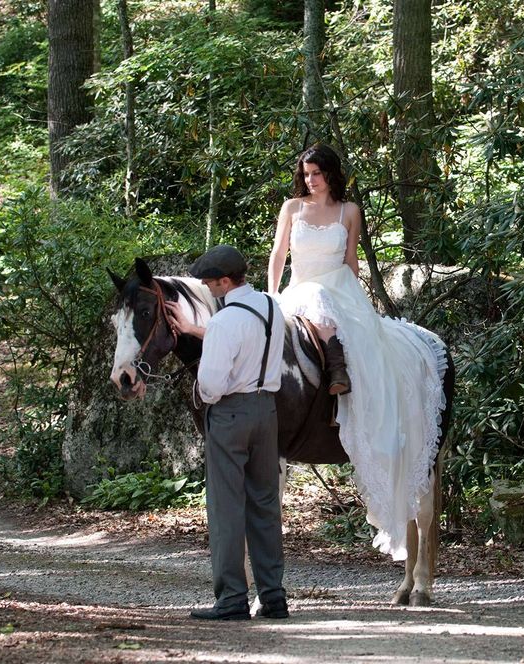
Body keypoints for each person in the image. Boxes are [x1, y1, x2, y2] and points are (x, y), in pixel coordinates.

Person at [267, 144, 448, 561]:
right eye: (306, 173)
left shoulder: (349, 210)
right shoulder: (291, 208)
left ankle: (341, 375)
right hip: (300, 289)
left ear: (331, 173)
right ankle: (324, 377)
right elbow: (279, 255)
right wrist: (272, 295)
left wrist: (356, 304)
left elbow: (350, 261)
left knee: (344, 327)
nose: (310, 180)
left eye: (317, 173)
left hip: (338, 288)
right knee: (309, 306)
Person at [169, 244, 289, 621]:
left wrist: (204, 391)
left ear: (225, 280)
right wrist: (193, 329)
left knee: (225, 509)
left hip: (230, 414)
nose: (207, 287)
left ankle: (232, 599)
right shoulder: (272, 307)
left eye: (211, 282)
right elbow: (253, 342)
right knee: (265, 505)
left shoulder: (223, 322)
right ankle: (273, 597)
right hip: (266, 411)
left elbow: (211, 385)